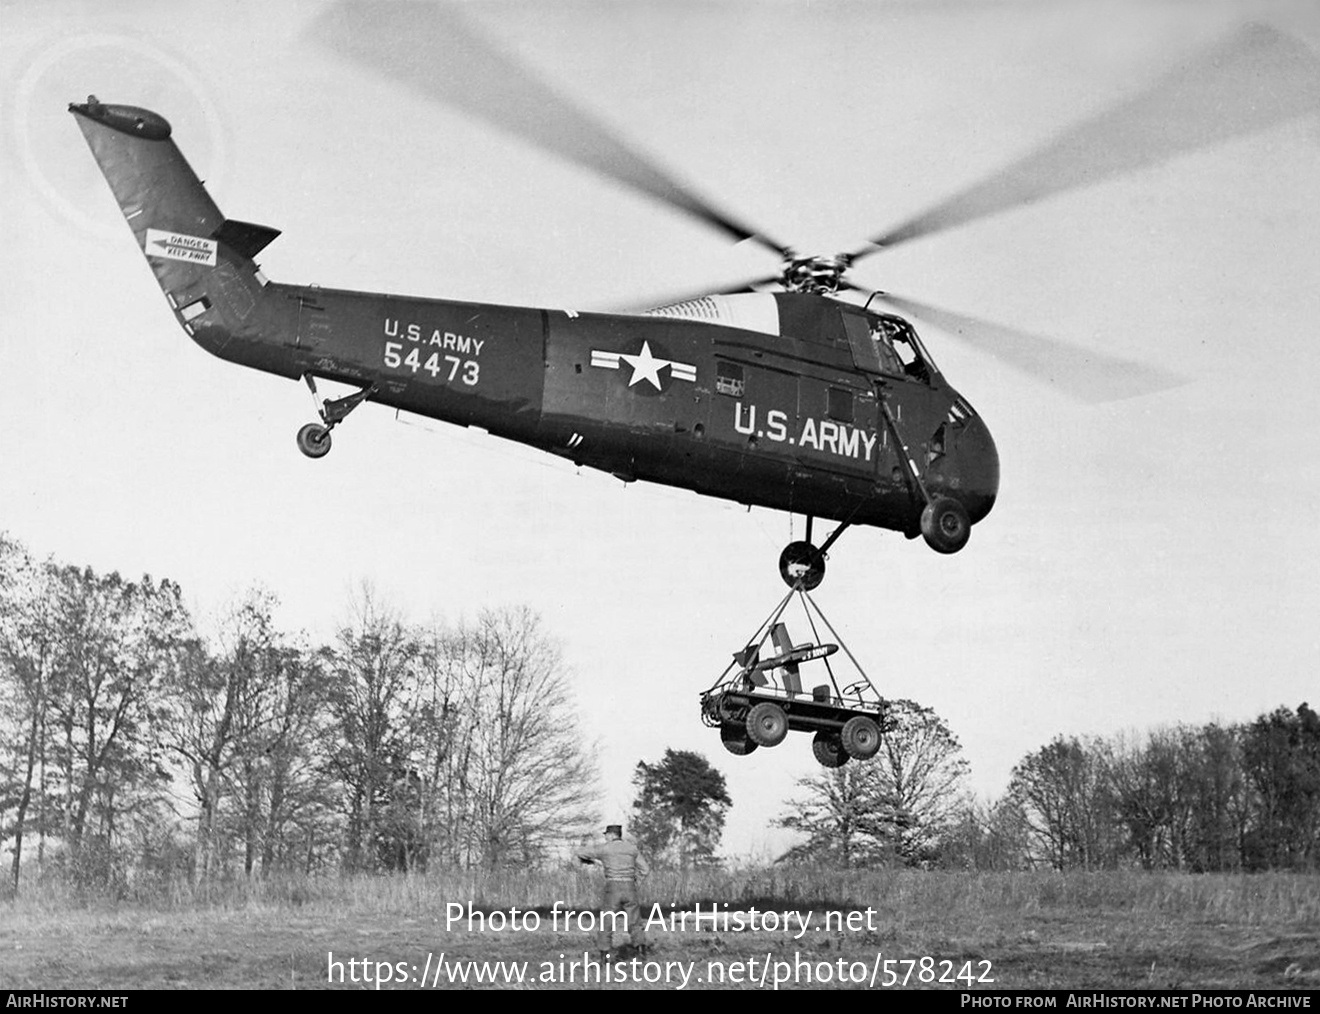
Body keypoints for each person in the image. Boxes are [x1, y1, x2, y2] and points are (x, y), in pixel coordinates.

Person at [577, 823, 650, 958]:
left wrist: (593, 861)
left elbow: (580, 852)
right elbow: (645, 870)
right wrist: (635, 882)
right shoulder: (632, 849)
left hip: (613, 887)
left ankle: (605, 955)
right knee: (634, 920)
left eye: (606, 835)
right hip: (630, 886)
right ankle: (641, 951)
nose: (605, 838)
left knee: (607, 919)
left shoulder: (605, 849)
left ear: (611, 835)